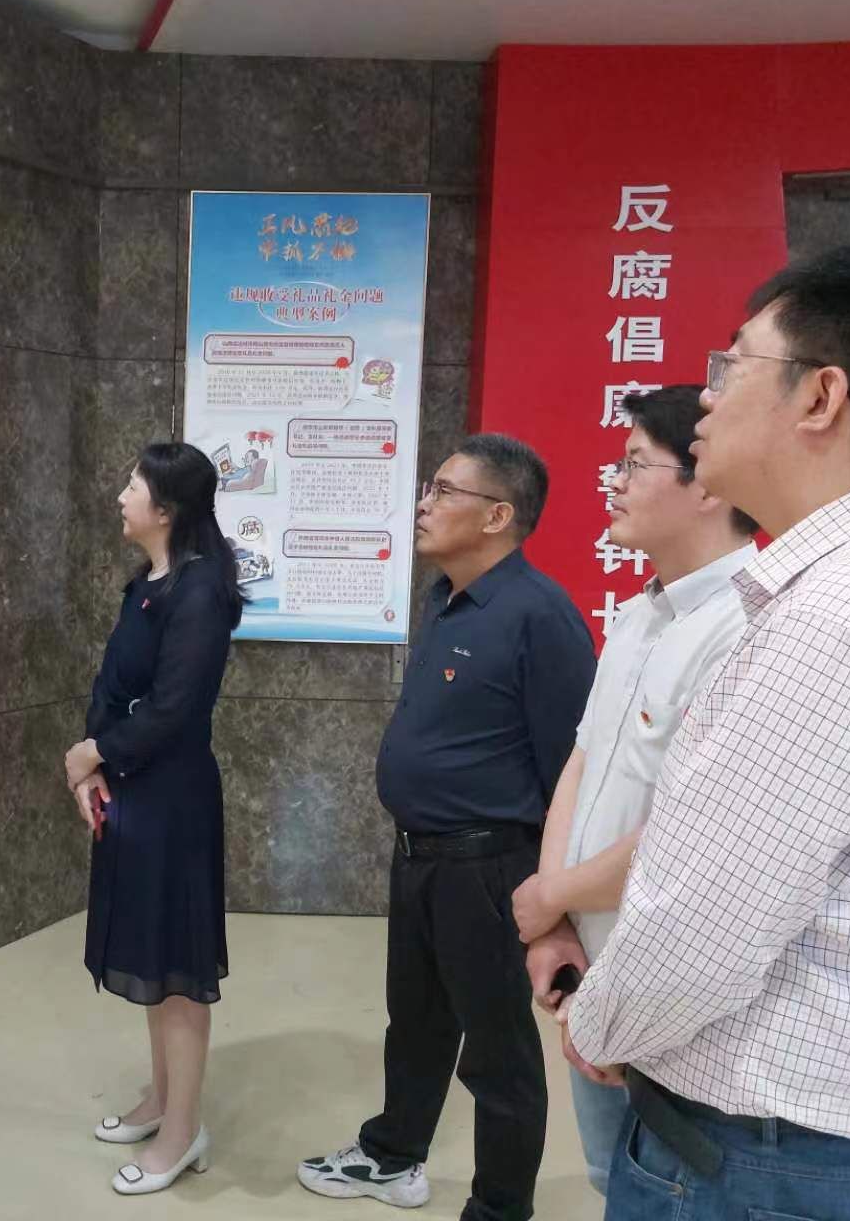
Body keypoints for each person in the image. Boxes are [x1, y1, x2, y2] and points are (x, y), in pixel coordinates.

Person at [561, 244, 850, 1220]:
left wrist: (597, 1021)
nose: (705, 396)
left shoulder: (832, 618)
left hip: (758, 1157)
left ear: (820, 397)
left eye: (731, 364)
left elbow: (702, 928)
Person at [298, 434, 596, 1221]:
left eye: (443, 491)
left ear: (498, 516)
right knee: (417, 1022)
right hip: (420, 857)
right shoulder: (444, 598)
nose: (423, 503)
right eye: (427, 488)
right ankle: (393, 1154)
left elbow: (570, 769)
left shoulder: (540, 616)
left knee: (497, 1056)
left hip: (489, 869)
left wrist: (551, 894)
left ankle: (500, 1208)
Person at [508, 386, 759, 1197]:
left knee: (666, 1189)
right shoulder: (641, 613)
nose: (612, 483)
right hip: (587, 966)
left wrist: (551, 895)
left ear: (707, 482)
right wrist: (554, 921)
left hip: (669, 989)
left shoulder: (749, 627)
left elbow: (693, 832)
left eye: (634, 464)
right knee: (610, 1181)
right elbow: (583, 762)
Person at [65, 441, 246, 1197]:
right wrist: (94, 764)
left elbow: (175, 711)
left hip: (171, 799)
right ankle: (162, 1099)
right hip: (131, 788)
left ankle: (183, 1131)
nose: (121, 497)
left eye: (133, 486)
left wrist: (93, 752)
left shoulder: (199, 593)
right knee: (149, 956)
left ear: (166, 507)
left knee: (177, 970)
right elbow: (113, 686)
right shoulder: (147, 583)